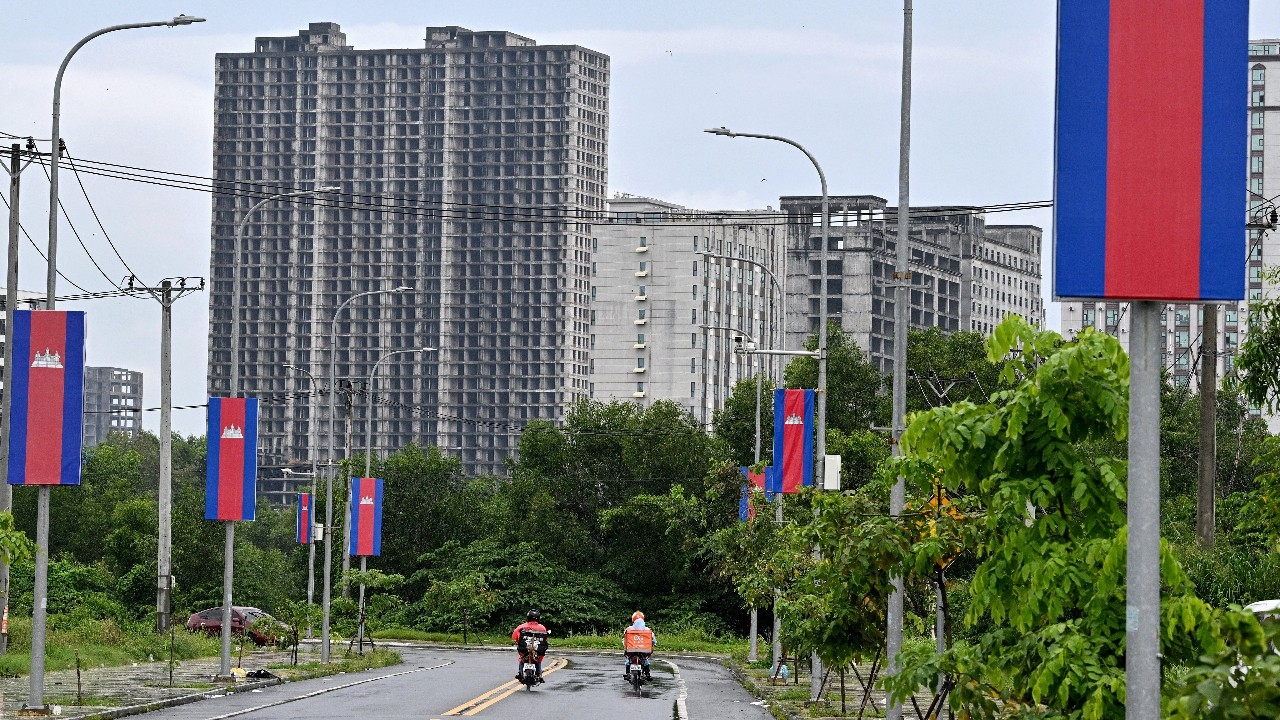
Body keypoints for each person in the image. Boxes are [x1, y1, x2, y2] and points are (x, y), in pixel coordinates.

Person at [512, 609, 548, 682]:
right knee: (538, 660)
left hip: (524, 649)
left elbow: (514, 636)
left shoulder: (522, 627)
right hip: (537, 650)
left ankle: (520, 673)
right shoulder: (542, 628)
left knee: (522, 659)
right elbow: (545, 639)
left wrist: (517, 641)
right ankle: (539, 675)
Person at [622, 611, 656, 680]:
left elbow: (624, 640)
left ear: (633, 620)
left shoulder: (628, 629)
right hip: (644, 650)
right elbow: (653, 641)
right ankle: (647, 674)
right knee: (645, 660)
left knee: (628, 660)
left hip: (631, 650)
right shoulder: (648, 630)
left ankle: (627, 673)